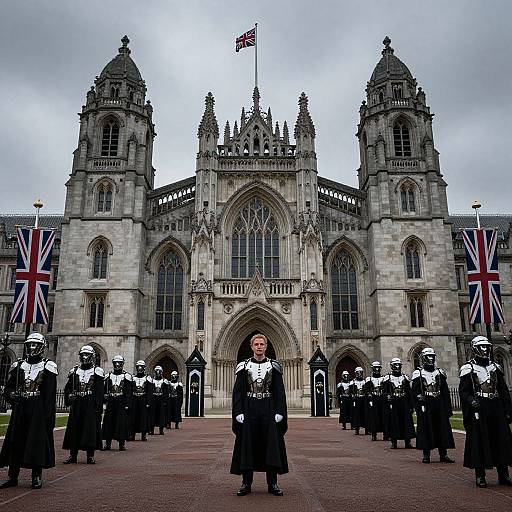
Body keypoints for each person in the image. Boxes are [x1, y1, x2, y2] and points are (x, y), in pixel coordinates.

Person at [230, 334, 288, 497]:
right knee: (247, 445)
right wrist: (238, 411)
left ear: (266, 346)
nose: (259, 346)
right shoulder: (243, 366)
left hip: (268, 407)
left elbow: (279, 392)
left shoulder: (274, 366)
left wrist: (280, 412)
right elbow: (238, 392)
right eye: (256, 344)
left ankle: (273, 483)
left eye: (262, 344)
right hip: (249, 407)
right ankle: (246, 483)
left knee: (271, 445)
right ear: (252, 346)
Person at [0, 333, 57, 489]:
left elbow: (50, 394)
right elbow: (9, 387)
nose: (32, 347)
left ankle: (36, 476)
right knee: (15, 440)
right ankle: (13, 476)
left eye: (35, 345)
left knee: (36, 441)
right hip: (20, 407)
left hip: (37, 408)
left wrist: (47, 415)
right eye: (29, 344)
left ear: (41, 347)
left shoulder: (48, 366)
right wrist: (11, 394)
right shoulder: (19, 365)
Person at [459, 336, 512, 488]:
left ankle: (504, 475)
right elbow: (464, 391)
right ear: (475, 349)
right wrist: (471, 400)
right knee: (480, 440)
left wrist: (508, 410)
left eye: (487, 347)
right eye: (482, 347)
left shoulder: (496, 367)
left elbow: (503, 390)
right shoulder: (468, 368)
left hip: (495, 405)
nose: (485, 350)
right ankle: (480, 475)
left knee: (501, 440)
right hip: (480, 406)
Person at [411, 347, 455, 464]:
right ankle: (426, 454)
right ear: (423, 358)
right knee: (426, 428)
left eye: (432, 356)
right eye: (427, 357)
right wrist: (418, 398)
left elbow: (445, 391)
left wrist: (447, 408)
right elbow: (414, 391)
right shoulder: (418, 373)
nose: (430, 359)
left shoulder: (440, 373)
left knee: (442, 428)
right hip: (426, 403)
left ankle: (443, 453)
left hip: (439, 402)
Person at [62, 345, 104, 464]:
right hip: (77, 403)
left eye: (87, 355)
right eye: (83, 355)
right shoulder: (75, 371)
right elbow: (68, 388)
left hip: (90, 403)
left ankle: (90, 455)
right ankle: (72, 455)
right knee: (74, 429)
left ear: (92, 357)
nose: (85, 357)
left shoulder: (97, 371)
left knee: (89, 430)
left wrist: (98, 407)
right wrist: (69, 396)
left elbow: (100, 391)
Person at [383, 358, 415, 449]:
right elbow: (384, 392)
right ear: (392, 366)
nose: (397, 367)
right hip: (394, 402)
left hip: (404, 401)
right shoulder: (388, 378)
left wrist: (411, 405)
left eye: (398, 365)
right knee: (394, 422)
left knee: (406, 422)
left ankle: (407, 441)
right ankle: (394, 441)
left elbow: (409, 393)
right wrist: (387, 396)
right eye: (395, 365)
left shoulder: (405, 377)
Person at [102, 355, 132, 451]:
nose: (117, 365)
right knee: (108, 422)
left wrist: (127, 404)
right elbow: (104, 390)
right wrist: (104, 397)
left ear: (122, 364)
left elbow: (128, 392)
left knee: (121, 423)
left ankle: (121, 444)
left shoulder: (126, 376)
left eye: (119, 363)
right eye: (115, 363)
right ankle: (108, 443)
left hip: (121, 401)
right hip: (111, 401)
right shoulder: (108, 376)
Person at [130, 360, 152, 441]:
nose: (139, 369)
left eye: (141, 367)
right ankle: (132, 434)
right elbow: (130, 390)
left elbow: (149, 391)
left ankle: (143, 434)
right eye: (138, 367)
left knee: (143, 418)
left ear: (144, 368)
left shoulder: (147, 378)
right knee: (133, 417)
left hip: (143, 399)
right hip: (134, 399)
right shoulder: (133, 378)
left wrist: (148, 402)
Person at [365, 361, 386, 441]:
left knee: (384, 416)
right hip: (373, 399)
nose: (377, 370)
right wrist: (369, 395)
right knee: (374, 417)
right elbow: (367, 390)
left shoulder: (384, 378)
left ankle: (385, 433)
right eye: (375, 368)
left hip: (382, 399)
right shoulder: (369, 379)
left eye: (378, 368)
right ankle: (374, 433)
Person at [150, 366, 168, 435]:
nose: (158, 373)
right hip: (154, 399)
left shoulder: (164, 381)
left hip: (161, 399)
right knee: (152, 415)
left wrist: (165, 401)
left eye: (159, 371)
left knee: (161, 415)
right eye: (156, 371)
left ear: (161, 372)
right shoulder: (151, 381)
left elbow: (166, 392)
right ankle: (152, 430)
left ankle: (161, 429)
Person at [349, 367, 366, 435]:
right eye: (358, 373)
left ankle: (366, 428)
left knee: (365, 414)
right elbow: (350, 392)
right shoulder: (352, 382)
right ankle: (357, 428)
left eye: (360, 373)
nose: (359, 374)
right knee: (356, 414)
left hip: (363, 399)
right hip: (356, 400)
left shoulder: (365, 382)